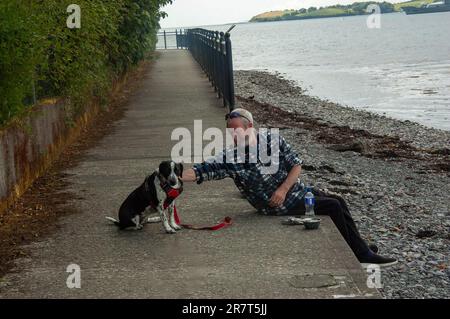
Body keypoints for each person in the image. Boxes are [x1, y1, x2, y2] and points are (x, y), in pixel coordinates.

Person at [181, 108, 397, 267]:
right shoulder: (230, 157)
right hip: (275, 204)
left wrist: (283, 188)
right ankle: (360, 255)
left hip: (291, 192)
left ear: (251, 128)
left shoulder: (272, 140)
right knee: (331, 206)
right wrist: (175, 176)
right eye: (231, 132)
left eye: (237, 130)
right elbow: (201, 171)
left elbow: (296, 164)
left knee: (339, 200)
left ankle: (359, 248)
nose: (234, 136)